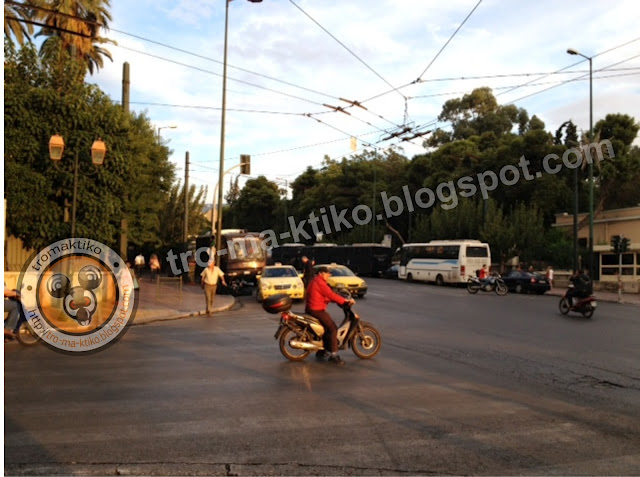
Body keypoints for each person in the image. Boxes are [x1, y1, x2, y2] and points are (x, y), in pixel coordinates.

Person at [305, 266, 355, 365]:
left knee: (325, 329)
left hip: (311, 308)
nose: (329, 275)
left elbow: (324, 296)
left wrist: (332, 299)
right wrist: (345, 300)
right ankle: (334, 355)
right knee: (333, 329)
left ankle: (322, 350)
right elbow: (330, 294)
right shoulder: (319, 282)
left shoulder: (315, 281)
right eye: (327, 273)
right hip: (317, 309)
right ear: (321, 273)